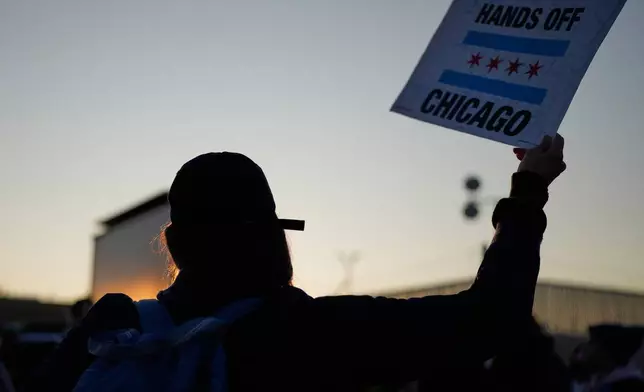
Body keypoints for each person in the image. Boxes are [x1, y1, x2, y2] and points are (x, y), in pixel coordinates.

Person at [27, 135, 566, 392]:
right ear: (273, 240)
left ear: (172, 246)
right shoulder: (316, 333)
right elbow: (491, 317)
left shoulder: (104, 334)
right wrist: (528, 190)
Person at [570, 324, 644, 392]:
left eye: (592, 343)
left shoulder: (630, 386)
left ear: (605, 352)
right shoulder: (594, 380)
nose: (585, 347)